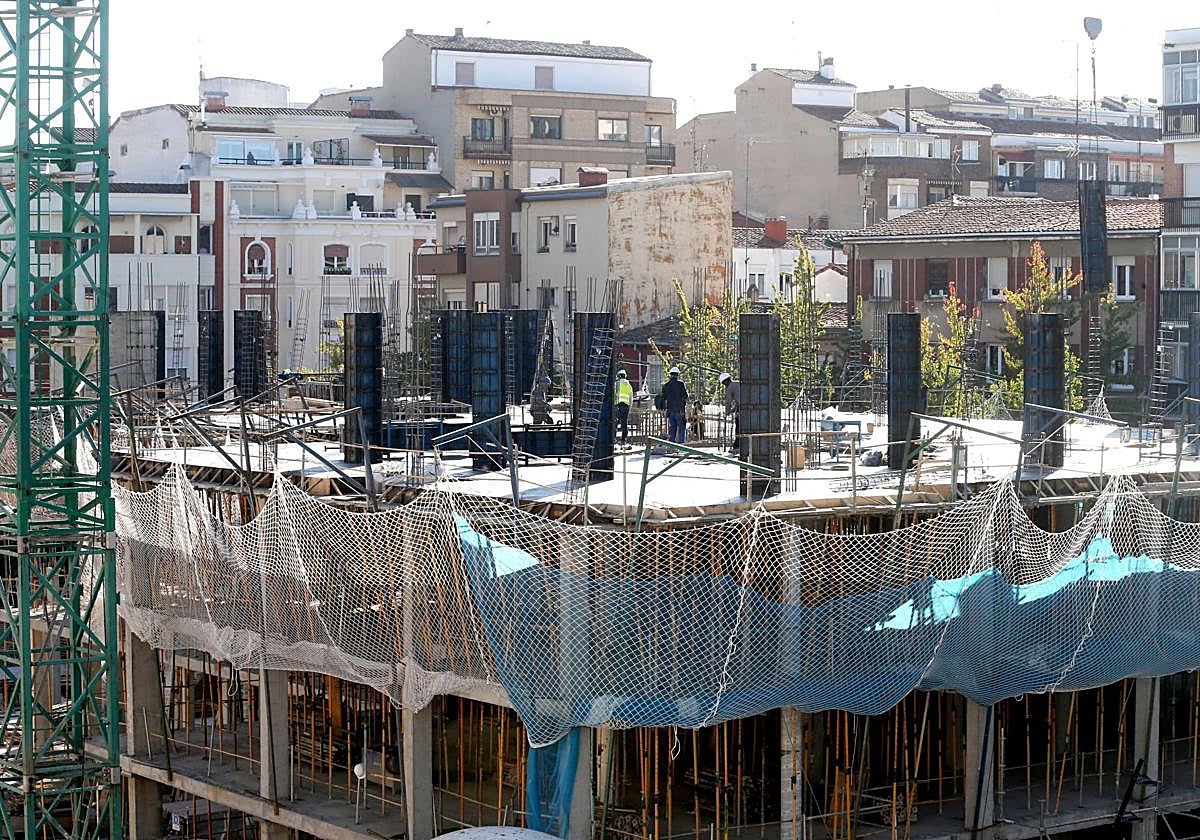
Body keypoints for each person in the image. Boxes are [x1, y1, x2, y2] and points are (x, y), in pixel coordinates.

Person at [660, 366, 688, 444]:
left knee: (672, 428)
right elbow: (685, 396)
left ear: (670, 374)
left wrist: (663, 409)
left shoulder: (666, 386)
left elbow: (662, 398)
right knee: (682, 427)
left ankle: (671, 445)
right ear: (677, 375)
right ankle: (681, 445)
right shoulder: (680, 384)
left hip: (670, 411)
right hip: (680, 411)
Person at [719, 372, 741, 454]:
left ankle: (737, 446)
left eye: (724, 384)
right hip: (746, 408)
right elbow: (739, 399)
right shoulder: (738, 384)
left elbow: (728, 402)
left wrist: (727, 412)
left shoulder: (730, 388)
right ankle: (738, 445)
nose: (724, 386)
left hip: (741, 410)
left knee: (738, 428)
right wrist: (733, 409)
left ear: (725, 381)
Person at [615, 369, 633, 446]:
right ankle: (623, 440)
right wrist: (630, 407)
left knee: (614, 423)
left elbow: (614, 394)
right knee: (624, 423)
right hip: (626, 406)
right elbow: (631, 398)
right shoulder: (629, 386)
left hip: (618, 406)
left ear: (619, 376)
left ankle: (613, 439)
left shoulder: (617, 384)